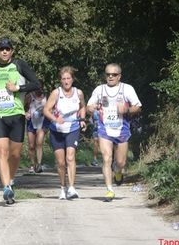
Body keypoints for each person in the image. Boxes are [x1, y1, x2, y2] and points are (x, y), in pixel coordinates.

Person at [0, 37, 39, 204]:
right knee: (1, 151)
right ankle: (6, 187)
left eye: (7, 49)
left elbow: (36, 84)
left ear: (12, 51)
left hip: (17, 115)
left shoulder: (19, 65)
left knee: (15, 154)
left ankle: (10, 180)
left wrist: (18, 88)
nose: (4, 51)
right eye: (1, 49)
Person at [86, 63, 142, 201]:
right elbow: (89, 106)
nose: (110, 77)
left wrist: (127, 110)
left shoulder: (127, 89)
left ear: (119, 76)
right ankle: (109, 190)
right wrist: (91, 108)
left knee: (121, 162)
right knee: (106, 158)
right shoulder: (99, 90)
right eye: (108, 74)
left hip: (122, 127)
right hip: (104, 127)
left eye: (114, 75)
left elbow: (138, 106)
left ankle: (118, 172)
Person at [43, 66, 87, 200]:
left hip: (73, 128)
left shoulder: (78, 93)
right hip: (57, 130)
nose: (66, 81)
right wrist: (55, 119)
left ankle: (72, 188)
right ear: (60, 81)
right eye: (64, 79)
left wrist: (82, 119)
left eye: (68, 78)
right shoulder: (56, 93)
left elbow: (82, 106)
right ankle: (63, 188)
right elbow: (46, 110)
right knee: (61, 162)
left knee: (70, 157)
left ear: (73, 79)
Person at [24, 80, 50, 174]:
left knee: (39, 143)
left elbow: (51, 108)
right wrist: (25, 113)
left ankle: (39, 164)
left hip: (42, 122)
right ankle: (32, 165)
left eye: (40, 87)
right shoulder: (29, 96)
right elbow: (23, 108)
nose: (39, 89)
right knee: (31, 145)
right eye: (37, 87)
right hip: (31, 122)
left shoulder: (47, 96)